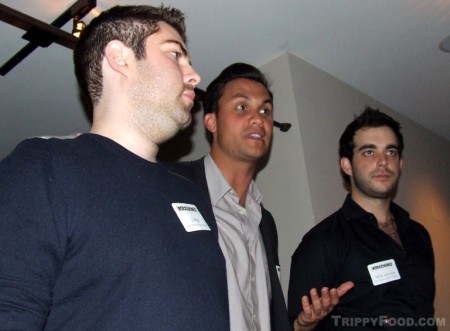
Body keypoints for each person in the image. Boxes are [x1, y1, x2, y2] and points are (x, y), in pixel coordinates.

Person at [0, 5, 229, 330]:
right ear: (120, 59)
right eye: (176, 54)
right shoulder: (43, 168)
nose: (194, 74)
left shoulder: (191, 194)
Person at [166, 63, 353, 331]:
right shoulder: (172, 186)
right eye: (242, 107)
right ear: (211, 121)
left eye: (265, 110)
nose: (258, 118)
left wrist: (299, 325)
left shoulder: (265, 222)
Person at [288, 106, 436, 330]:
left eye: (391, 152)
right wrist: (303, 324)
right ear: (347, 165)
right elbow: (292, 326)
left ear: (400, 164)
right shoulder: (322, 242)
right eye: (369, 152)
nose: (383, 161)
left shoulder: (419, 235)